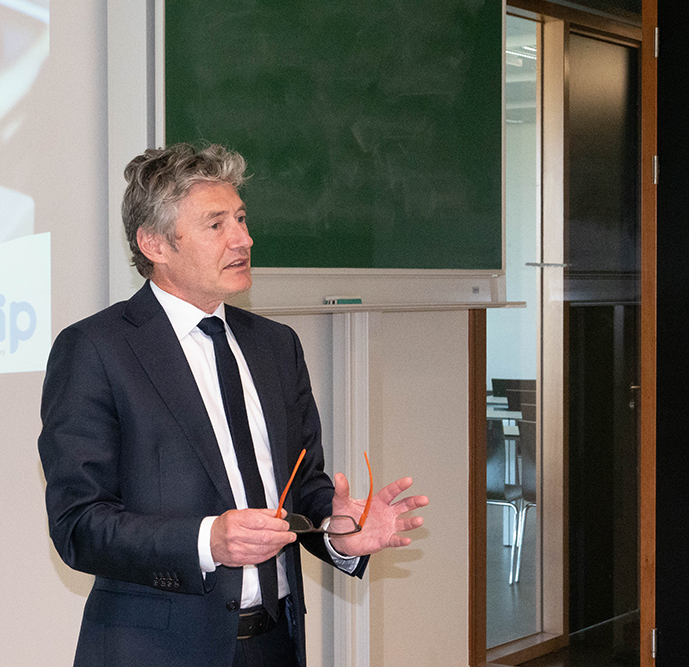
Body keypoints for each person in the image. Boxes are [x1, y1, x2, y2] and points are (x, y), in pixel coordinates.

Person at [38, 143, 429, 667]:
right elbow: (78, 525)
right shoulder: (96, 349)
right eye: (216, 224)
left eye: (241, 219)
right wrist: (208, 541)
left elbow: (302, 487)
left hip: (275, 642)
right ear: (154, 243)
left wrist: (339, 531)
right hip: (157, 651)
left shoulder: (276, 345)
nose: (243, 239)